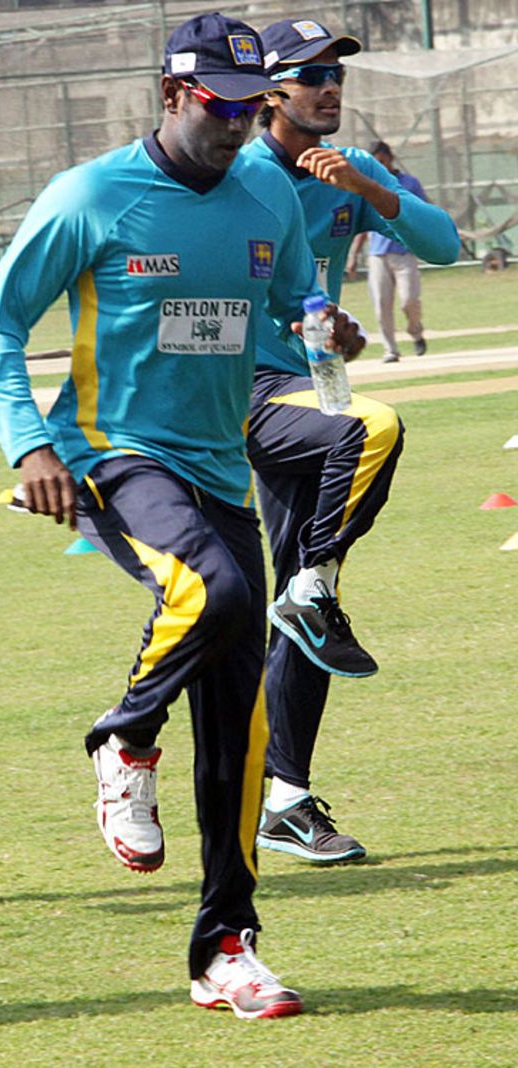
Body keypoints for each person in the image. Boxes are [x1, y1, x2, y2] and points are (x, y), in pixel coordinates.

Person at [0, 12, 357, 1019]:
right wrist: (28, 446)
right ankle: (123, 734)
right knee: (215, 589)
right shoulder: (91, 196)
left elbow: (291, 302)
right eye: (218, 105)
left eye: (249, 105)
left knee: (236, 722)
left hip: (219, 470)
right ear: (170, 94)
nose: (235, 124)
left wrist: (324, 331)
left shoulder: (264, 194)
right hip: (112, 454)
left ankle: (225, 948)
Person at [243, 19, 460, 862]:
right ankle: (138, 746)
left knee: (304, 609)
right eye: (309, 75)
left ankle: (285, 798)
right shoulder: (245, 175)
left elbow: (441, 245)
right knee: (285, 590)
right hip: (250, 394)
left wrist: (372, 194)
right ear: (270, 95)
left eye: (335, 74)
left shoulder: (350, 169)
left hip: (313, 389)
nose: (328, 87)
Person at [360, 140, 432, 363]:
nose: (379, 166)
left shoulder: (409, 183)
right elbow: (363, 221)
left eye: (382, 161)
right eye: (375, 163)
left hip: (404, 252)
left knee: (408, 300)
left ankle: (416, 331)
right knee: (382, 304)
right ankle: (390, 349)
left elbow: (425, 212)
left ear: (390, 158)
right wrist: (354, 255)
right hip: (378, 254)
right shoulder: (369, 186)